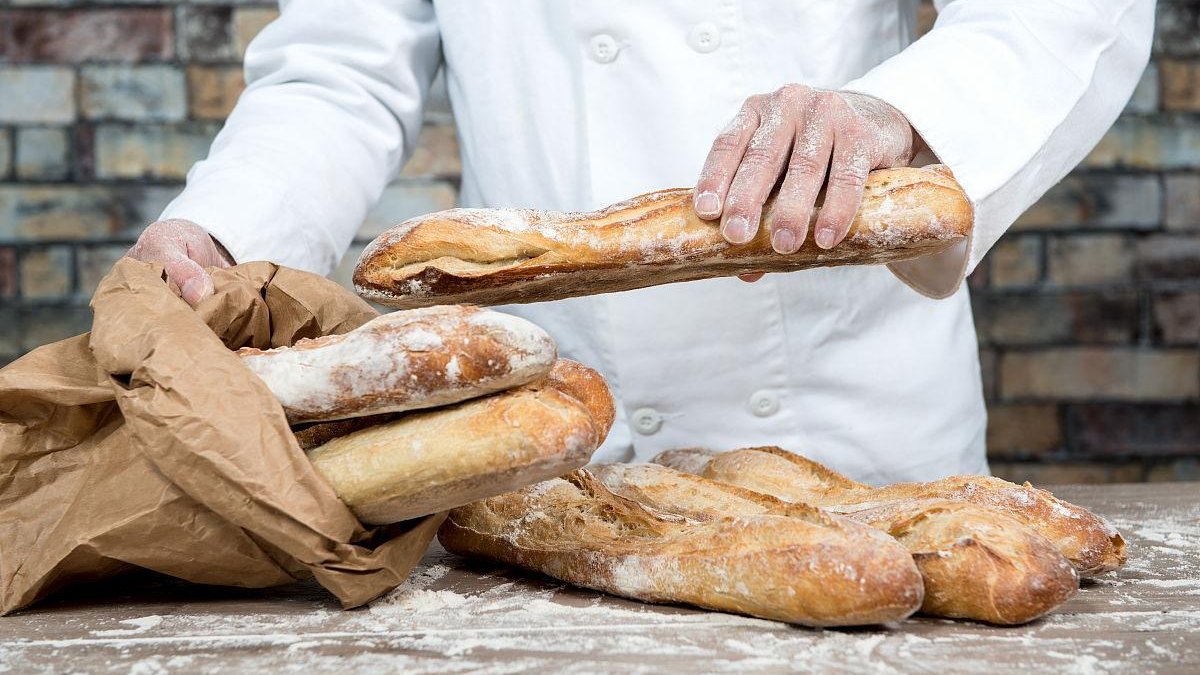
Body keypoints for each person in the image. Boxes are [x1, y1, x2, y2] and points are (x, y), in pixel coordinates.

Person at [126, 1, 1154, 484]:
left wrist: (893, 114)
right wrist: (222, 232)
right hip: (546, 434)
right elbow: (344, 67)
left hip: (851, 433)